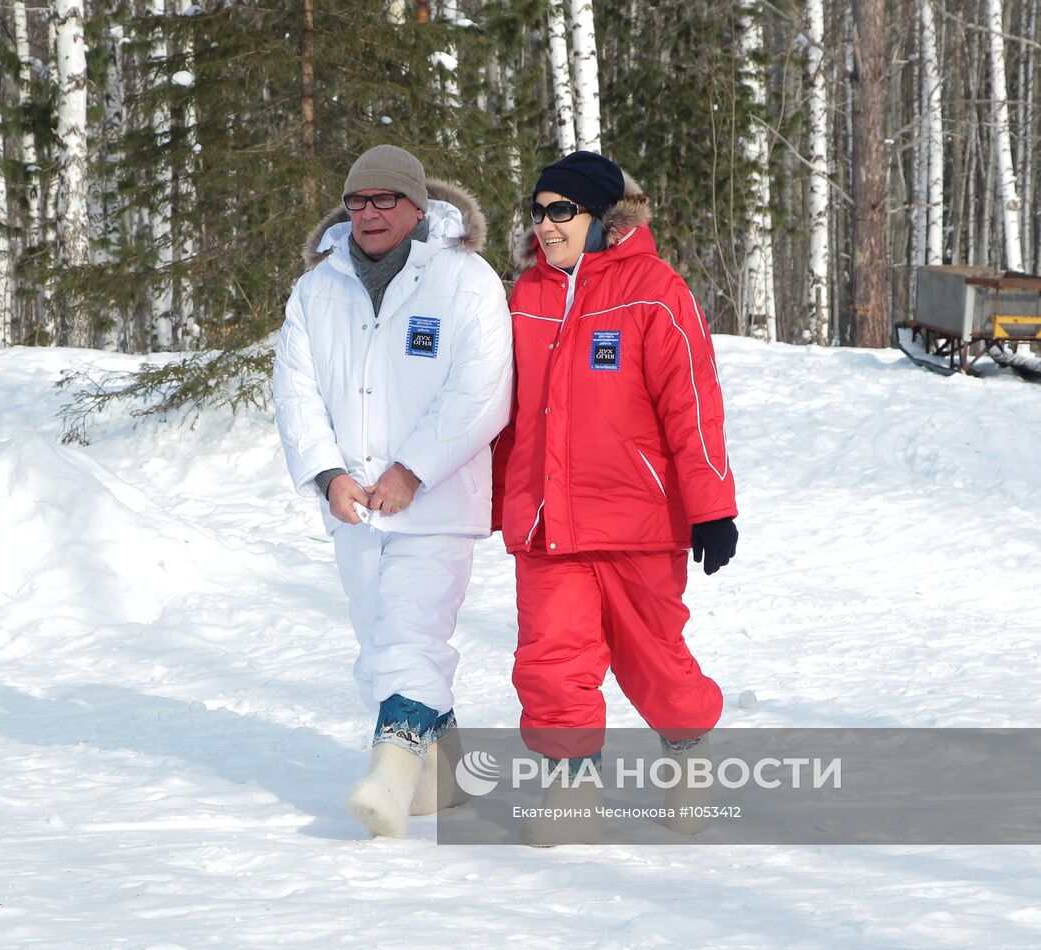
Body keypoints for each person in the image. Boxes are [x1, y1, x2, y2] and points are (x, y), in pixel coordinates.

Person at [492, 150, 739, 845]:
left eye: (560, 210)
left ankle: (688, 751)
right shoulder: (524, 296)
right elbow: (499, 413)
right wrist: (487, 502)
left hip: (637, 519)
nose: (546, 225)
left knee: (655, 661)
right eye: (537, 212)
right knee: (550, 659)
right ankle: (572, 786)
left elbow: (694, 405)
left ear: (600, 216)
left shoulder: (656, 290)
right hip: (547, 524)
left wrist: (711, 506)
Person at [272, 145, 512, 838]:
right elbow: (296, 389)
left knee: (410, 631)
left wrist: (413, 468)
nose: (368, 214)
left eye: (384, 201)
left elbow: (483, 388)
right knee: (383, 643)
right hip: (356, 504)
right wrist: (327, 473)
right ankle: (449, 774)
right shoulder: (318, 289)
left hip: (437, 501)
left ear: (416, 207)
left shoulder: (465, 281)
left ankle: (390, 775)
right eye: (356, 202)